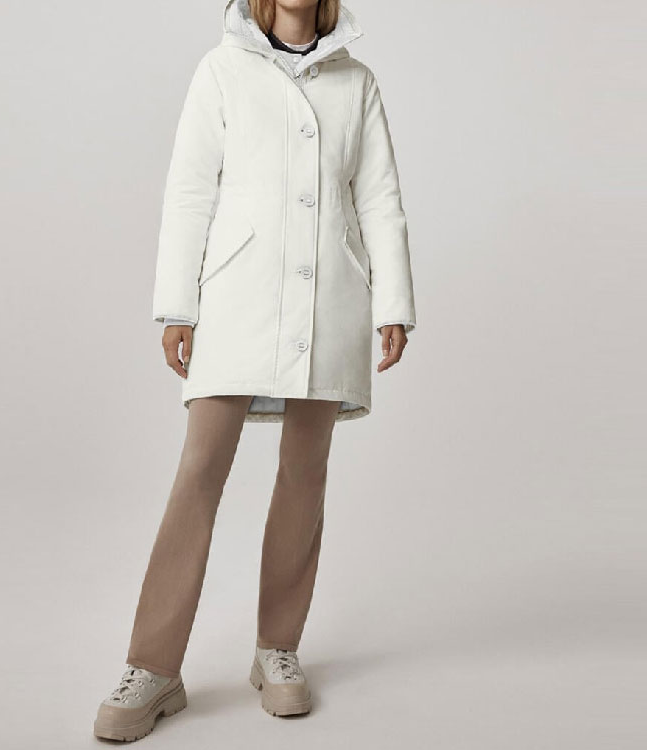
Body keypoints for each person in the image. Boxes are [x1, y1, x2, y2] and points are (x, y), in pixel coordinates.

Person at [94, 0, 416, 740]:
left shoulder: (358, 82)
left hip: (330, 298)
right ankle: (153, 667)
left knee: (305, 473)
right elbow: (190, 191)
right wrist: (177, 306)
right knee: (200, 471)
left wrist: (394, 303)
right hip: (235, 298)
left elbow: (379, 196)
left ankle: (278, 649)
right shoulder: (222, 70)